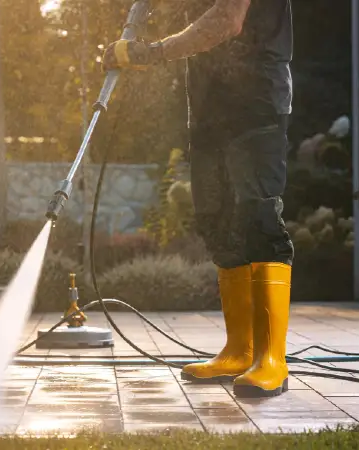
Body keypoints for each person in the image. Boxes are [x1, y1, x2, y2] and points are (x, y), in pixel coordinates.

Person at [102, 0, 294, 398]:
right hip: (209, 111)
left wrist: (150, 52)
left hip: (255, 105)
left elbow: (226, 20)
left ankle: (272, 359)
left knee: (258, 219)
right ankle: (239, 351)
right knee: (217, 222)